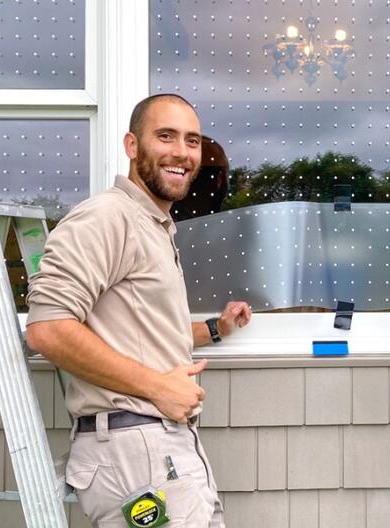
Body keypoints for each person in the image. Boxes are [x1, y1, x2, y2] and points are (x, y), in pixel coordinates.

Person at [26, 93, 251, 528]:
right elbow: (48, 330)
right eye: (165, 136)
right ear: (132, 145)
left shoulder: (152, 225)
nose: (181, 153)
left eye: (191, 141)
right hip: (136, 449)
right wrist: (159, 387)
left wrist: (216, 329)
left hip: (157, 443)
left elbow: (141, 327)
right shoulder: (108, 218)